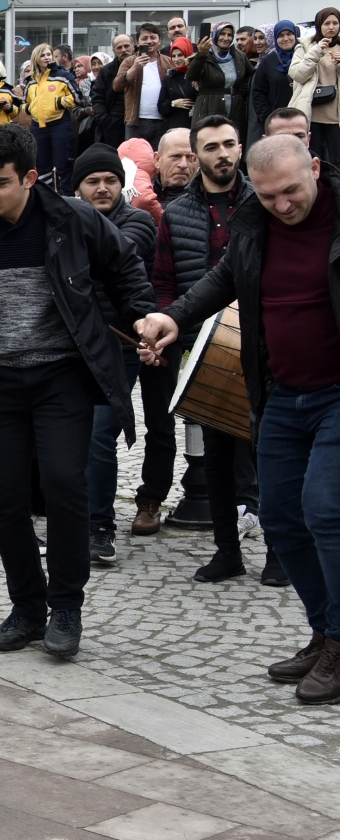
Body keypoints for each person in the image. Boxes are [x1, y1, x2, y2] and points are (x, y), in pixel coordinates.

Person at [0, 126, 154, 660]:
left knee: (66, 484)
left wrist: (143, 317)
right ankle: (27, 606)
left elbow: (125, 268)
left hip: (60, 375)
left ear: (30, 177)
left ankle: (66, 605)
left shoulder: (73, 219)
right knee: (9, 497)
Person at [137, 135, 340, 702]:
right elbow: (221, 281)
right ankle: (326, 632)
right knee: (280, 516)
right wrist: (173, 318)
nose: (282, 204)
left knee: (325, 510)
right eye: (270, 194)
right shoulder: (256, 223)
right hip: (279, 393)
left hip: (336, 396)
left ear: (315, 169)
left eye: (292, 191)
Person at [149, 116, 279, 584]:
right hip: (206, 349)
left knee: (272, 455)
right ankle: (228, 552)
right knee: (218, 460)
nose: (222, 154)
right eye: (211, 147)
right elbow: (164, 282)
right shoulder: (178, 213)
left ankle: (280, 555)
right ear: (196, 154)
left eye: (229, 145)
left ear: (240, 148)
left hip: (266, 347)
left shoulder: (263, 202)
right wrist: (168, 327)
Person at [71, 144, 158, 566]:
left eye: (110, 180)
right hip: (72, 345)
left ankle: (100, 527)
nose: (103, 188)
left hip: (119, 346)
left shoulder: (137, 221)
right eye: (93, 181)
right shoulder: (65, 223)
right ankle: (73, 524)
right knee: (69, 439)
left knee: (99, 437)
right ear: (78, 188)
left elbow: (113, 256)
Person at [24, 43, 79, 190]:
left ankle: (68, 198)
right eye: (42, 55)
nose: (47, 58)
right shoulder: (31, 81)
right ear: (36, 58)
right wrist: (31, 108)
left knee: (63, 164)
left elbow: (78, 98)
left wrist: (58, 102)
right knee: (41, 165)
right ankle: (46, 197)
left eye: (49, 54)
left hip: (60, 124)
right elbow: (25, 104)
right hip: (38, 127)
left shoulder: (64, 76)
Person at [289, 6, 340, 164]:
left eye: (335, 23)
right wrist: (316, 51)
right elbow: (297, 74)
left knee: (337, 160)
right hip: (312, 113)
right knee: (313, 159)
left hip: (336, 116)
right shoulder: (305, 47)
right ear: (319, 25)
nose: (331, 27)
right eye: (326, 23)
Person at [115, 23, 170, 147]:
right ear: (138, 42)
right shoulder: (129, 61)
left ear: (159, 40)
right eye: (144, 38)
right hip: (136, 122)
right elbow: (116, 85)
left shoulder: (168, 62)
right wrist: (134, 68)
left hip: (162, 121)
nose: (149, 41)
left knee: (159, 160)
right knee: (134, 159)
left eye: (153, 37)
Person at [250, 21, 301, 146]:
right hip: (278, 122)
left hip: (305, 119)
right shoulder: (268, 61)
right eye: (280, 35)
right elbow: (258, 92)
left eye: (289, 34)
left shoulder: (305, 56)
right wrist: (268, 117)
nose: (285, 39)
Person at [92, 34, 134, 145]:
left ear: (133, 46)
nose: (123, 50)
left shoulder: (144, 66)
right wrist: (105, 121)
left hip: (139, 120)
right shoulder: (106, 71)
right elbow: (97, 97)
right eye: (119, 48)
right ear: (114, 50)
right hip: (113, 123)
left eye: (126, 46)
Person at [158, 42, 199, 132]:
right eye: (173, 56)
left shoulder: (198, 75)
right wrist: (173, 103)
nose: (176, 59)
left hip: (195, 126)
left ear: (188, 54)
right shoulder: (170, 78)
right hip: (174, 128)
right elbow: (161, 106)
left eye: (180, 55)